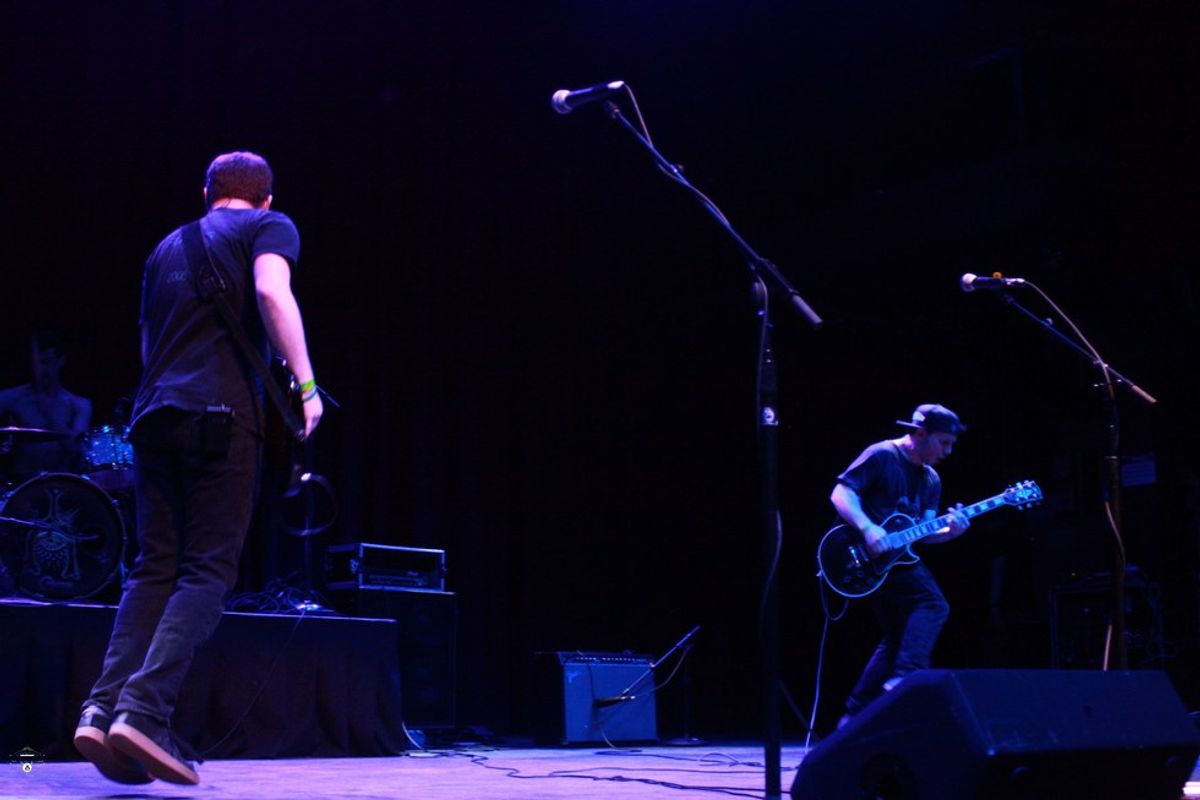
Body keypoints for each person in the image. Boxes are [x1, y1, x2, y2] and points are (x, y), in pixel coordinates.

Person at [73, 151, 323, 785]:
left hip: (153, 414)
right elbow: (271, 290)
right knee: (207, 570)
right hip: (218, 418)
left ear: (207, 192)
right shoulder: (270, 227)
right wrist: (307, 383)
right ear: (265, 199)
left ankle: (101, 710)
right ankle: (144, 712)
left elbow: (148, 340)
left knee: (151, 569)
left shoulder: (166, 246)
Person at [830, 403, 970, 726]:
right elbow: (840, 493)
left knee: (897, 637)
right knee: (933, 605)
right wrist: (868, 528)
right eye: (943, 442)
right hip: (858, 556)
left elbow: (924, 533)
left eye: (951, 445)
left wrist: (952, 532)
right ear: (920, 434)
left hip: (894, 563)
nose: (947, 452)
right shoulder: (881, 455)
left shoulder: (931, 480)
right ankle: (906, 678)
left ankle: (853, 715)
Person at [0, 332, 92, 480]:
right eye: (36, 363)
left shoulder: (79, 405)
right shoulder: (11, 398)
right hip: (21, 488)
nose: (40, 370)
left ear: (61, 361)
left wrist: (47, 411)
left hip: (63, 485)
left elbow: (76, 452)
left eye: (46, 362)